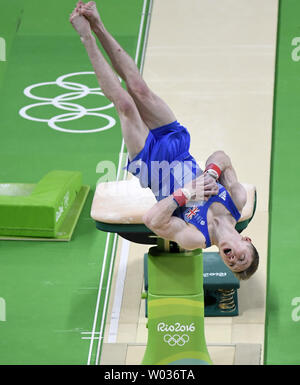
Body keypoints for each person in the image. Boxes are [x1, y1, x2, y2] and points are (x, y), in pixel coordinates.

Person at [70, 1, 259, 280]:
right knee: (138, 88)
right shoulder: (236, 200)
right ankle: (97, 23)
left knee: (124, 103)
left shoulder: (196, 238)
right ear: (247, 242)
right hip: (178, 149)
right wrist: (210, 174)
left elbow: (152, 220)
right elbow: (221, 157)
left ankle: (86, 35)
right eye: (241, 257)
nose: (232, 258)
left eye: (232, 264)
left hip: (152, 166)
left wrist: (188, 192)